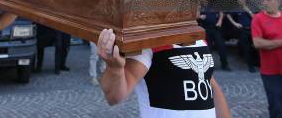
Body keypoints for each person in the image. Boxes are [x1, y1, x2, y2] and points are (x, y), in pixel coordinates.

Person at [97, 28, 230, 117]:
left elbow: (211, 85)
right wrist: (114, 68)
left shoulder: (199, 39)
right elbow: (114, 97)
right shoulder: (148, 44)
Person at [226, 1, 256, 72]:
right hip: (243, 30)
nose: (240, 1)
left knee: (256, 46)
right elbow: (228, 15)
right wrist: (235, 23)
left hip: (253, 29)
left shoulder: (251, 6)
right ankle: (250, 66)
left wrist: (248, 10)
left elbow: (255, 18)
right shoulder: (236, 8)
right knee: (246, 48)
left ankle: (257, 63)